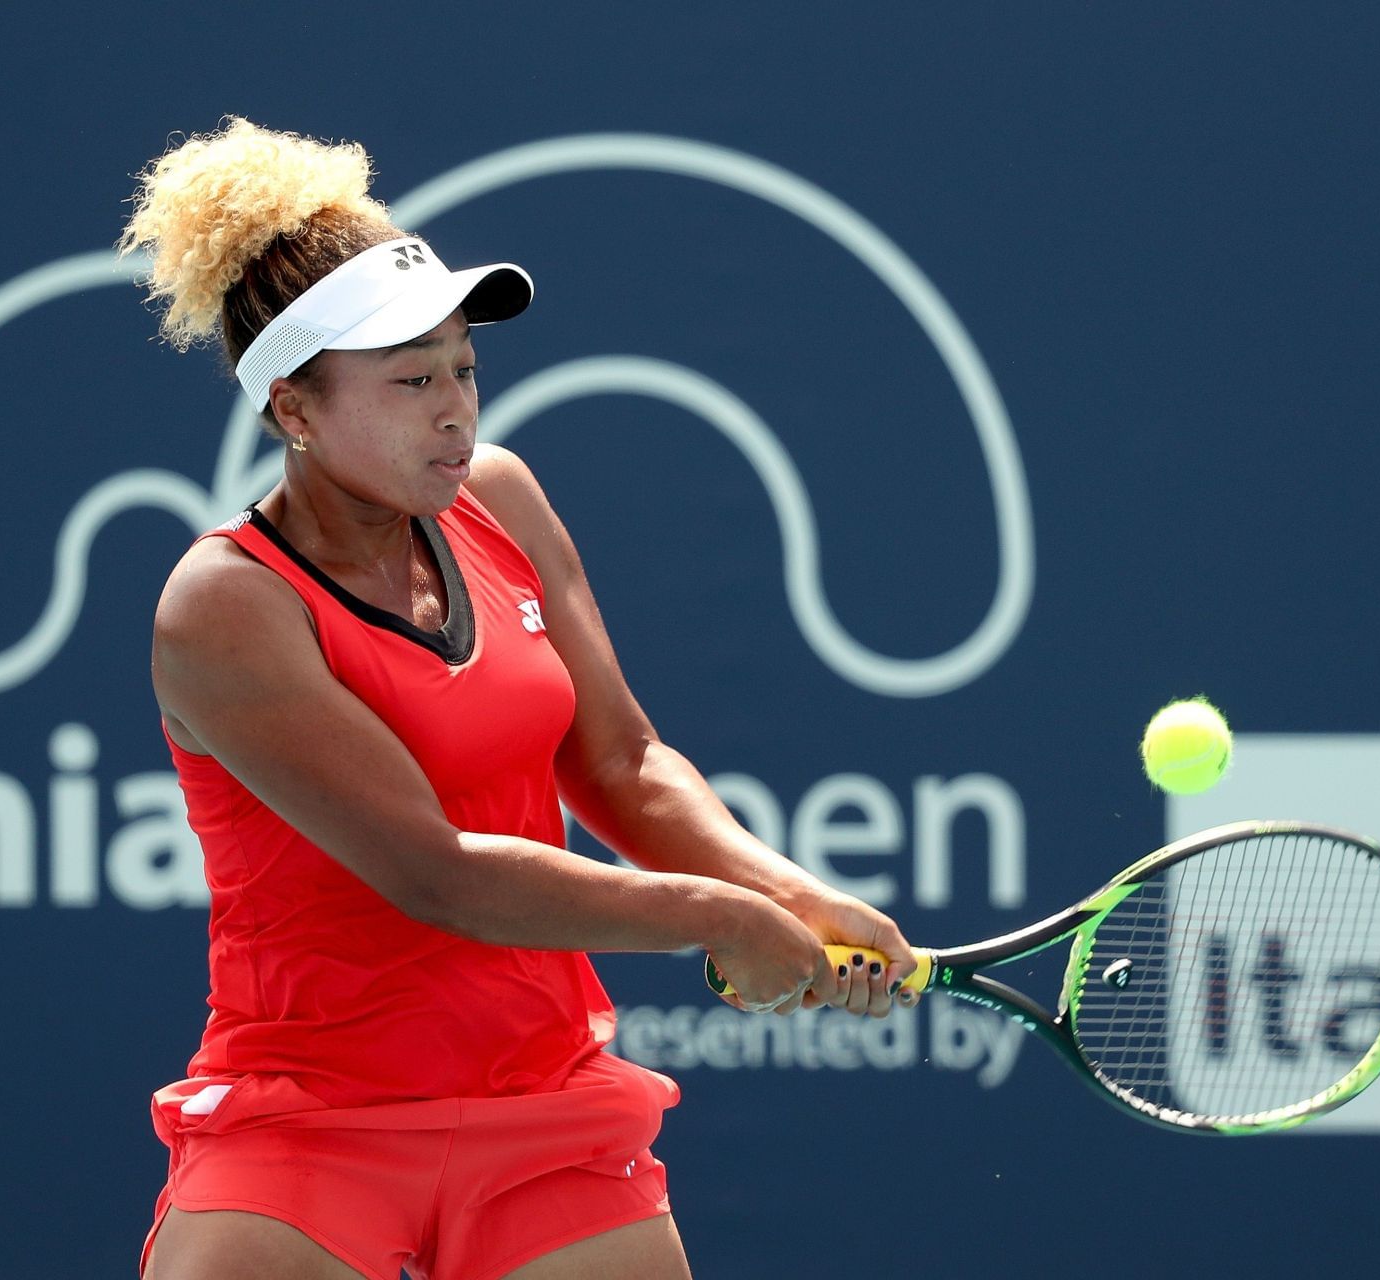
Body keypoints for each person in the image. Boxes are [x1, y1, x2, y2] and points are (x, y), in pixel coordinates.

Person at [119, 117, 918, 1280]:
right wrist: (717, 915)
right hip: (307, 1118)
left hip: (545, 1101)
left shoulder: (499, 498)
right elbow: (438, 873)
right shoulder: (224, 604)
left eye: (462, 369)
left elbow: (623, 760)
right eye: (408, 381)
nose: (455, 410)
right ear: (295, 409)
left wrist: (788, 889)